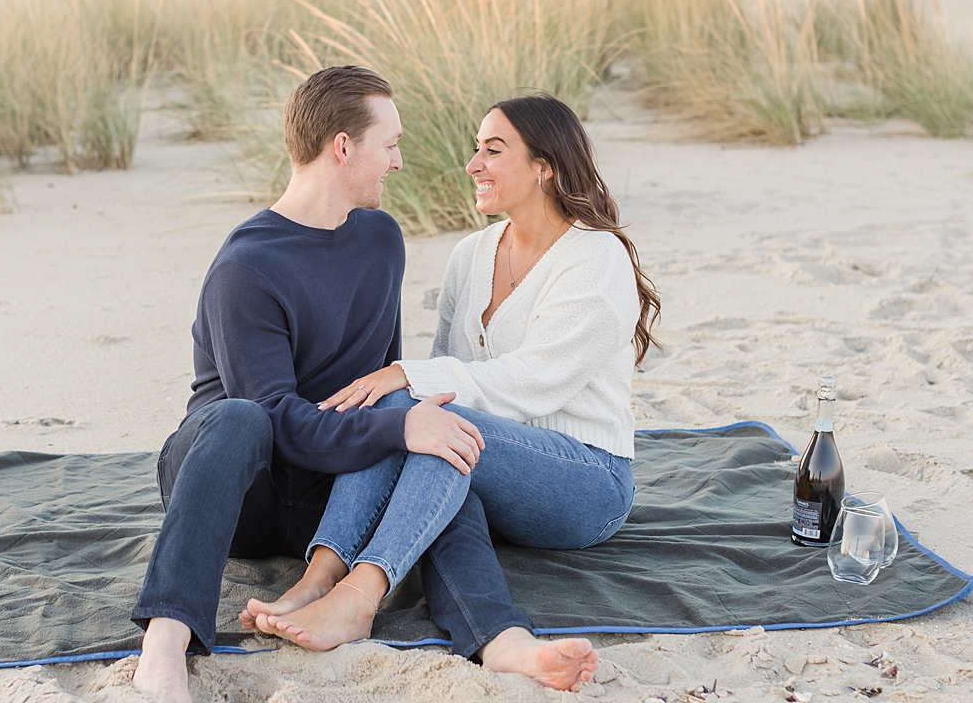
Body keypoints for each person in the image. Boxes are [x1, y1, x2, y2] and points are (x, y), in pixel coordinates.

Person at [131, 70, 600, 703]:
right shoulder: (246, 267)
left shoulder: (380, 239)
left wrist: (408, 428)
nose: (400, 161)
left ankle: (501, 640)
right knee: (242, 416)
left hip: (331, 494)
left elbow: (380, 385)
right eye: (391, 144)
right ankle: (165, 641)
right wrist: (397, 424)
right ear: (343, 146)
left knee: (441, 451)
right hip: (241, 486)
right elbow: (274, 417)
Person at [245, 94, 661, 679]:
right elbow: (448, 386)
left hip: (585, 481)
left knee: (422, 418)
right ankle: (347, 588)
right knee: (425, 433)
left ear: (545, 166)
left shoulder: (596, 258)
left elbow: (533, 385)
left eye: (493, 150)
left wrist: (407, 377)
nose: (473, 164)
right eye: (475, 149)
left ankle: (358, 594)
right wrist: (414, 393)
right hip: (484, 463)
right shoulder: (471, 255)